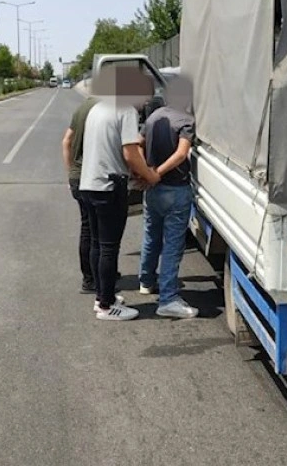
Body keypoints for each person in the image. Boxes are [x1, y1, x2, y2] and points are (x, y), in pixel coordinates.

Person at [79, 67, 160, 320]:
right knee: (109, 247)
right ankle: (106, 306)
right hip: (110, 187)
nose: (145, 101)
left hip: (89, 184)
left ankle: (102, 296)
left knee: (97, 244)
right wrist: (150, 175)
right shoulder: (125, 110)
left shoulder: (98, 108)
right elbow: (129, 153)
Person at [138, 75, 198, 319]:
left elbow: (138, 143)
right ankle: (168, 298)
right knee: (172, 245)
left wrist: (147, 171)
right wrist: (158, 172)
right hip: (176, 190)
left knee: (151, 236)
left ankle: (146, 281)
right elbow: (182, 154)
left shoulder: (153, 117)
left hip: (152, 191)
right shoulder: (186, 121)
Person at [61, 95, 98, 294]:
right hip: (94, 177)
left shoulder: (81, 108)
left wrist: (71, 173)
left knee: (87, 227)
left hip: (77, 176)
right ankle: (93, 278)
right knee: (98, 230)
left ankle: (89, 276)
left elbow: (66, 141)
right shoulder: (104, 109)